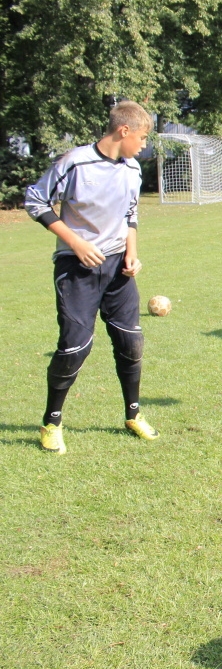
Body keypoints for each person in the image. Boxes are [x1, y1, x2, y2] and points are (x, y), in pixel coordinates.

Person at [23, 100, 160, 453]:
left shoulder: (132, 169)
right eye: (142, 137)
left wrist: (132, 253)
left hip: (117, 270)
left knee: (131, 343)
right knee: (74, 349)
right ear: (123, 131)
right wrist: (76, 242)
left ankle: (133, 414)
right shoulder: (75, 162)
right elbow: (35, 199)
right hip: (75, 269)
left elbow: (131, 215)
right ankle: (51, 423)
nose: (144, 145)